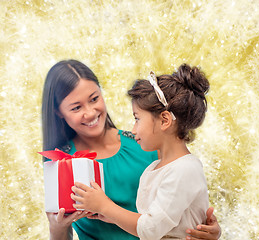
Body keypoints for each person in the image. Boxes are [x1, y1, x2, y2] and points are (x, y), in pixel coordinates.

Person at [42, 59, 221, 240]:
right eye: (76, 107)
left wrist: (208, 230)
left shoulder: (147, 144)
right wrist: (56, 228)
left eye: (94, 99)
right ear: (59, 112)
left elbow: (182, 202)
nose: (89, 113)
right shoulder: (62, 164)